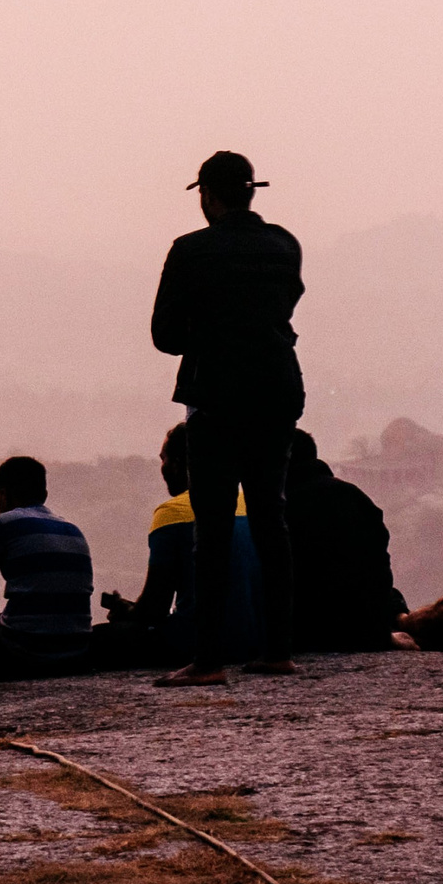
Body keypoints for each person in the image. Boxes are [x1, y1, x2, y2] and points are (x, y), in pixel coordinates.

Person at [150, 150, 304, 684]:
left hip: (216, 398)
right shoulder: (284, 246)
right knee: (270, 519)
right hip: (278, 391)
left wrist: (207, 328)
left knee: (211, 526)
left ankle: (208, 660)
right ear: (251, 192)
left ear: (207, 196)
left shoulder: (190, 251)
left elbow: (164, 337)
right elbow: (285, 306)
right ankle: (278, 649)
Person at [99, 421, 262, 669]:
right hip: (256, 640)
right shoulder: (248, 504)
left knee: (97, 640)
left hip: (197, 641)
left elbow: (155, 607)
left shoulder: (173, 512)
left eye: (163, 459)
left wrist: (126, 612)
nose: (162, 468)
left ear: (177, 464)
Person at [283, 429, 406, 652]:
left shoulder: (279, 508)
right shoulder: (355, 498)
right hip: (367, 631)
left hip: (306, 634)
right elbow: (377, 570)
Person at [0, 456, 95, 667]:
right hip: (77, 648)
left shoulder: (4, 524)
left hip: (25, 648)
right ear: (44, 495)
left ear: (4, 494)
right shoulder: (73, 530)